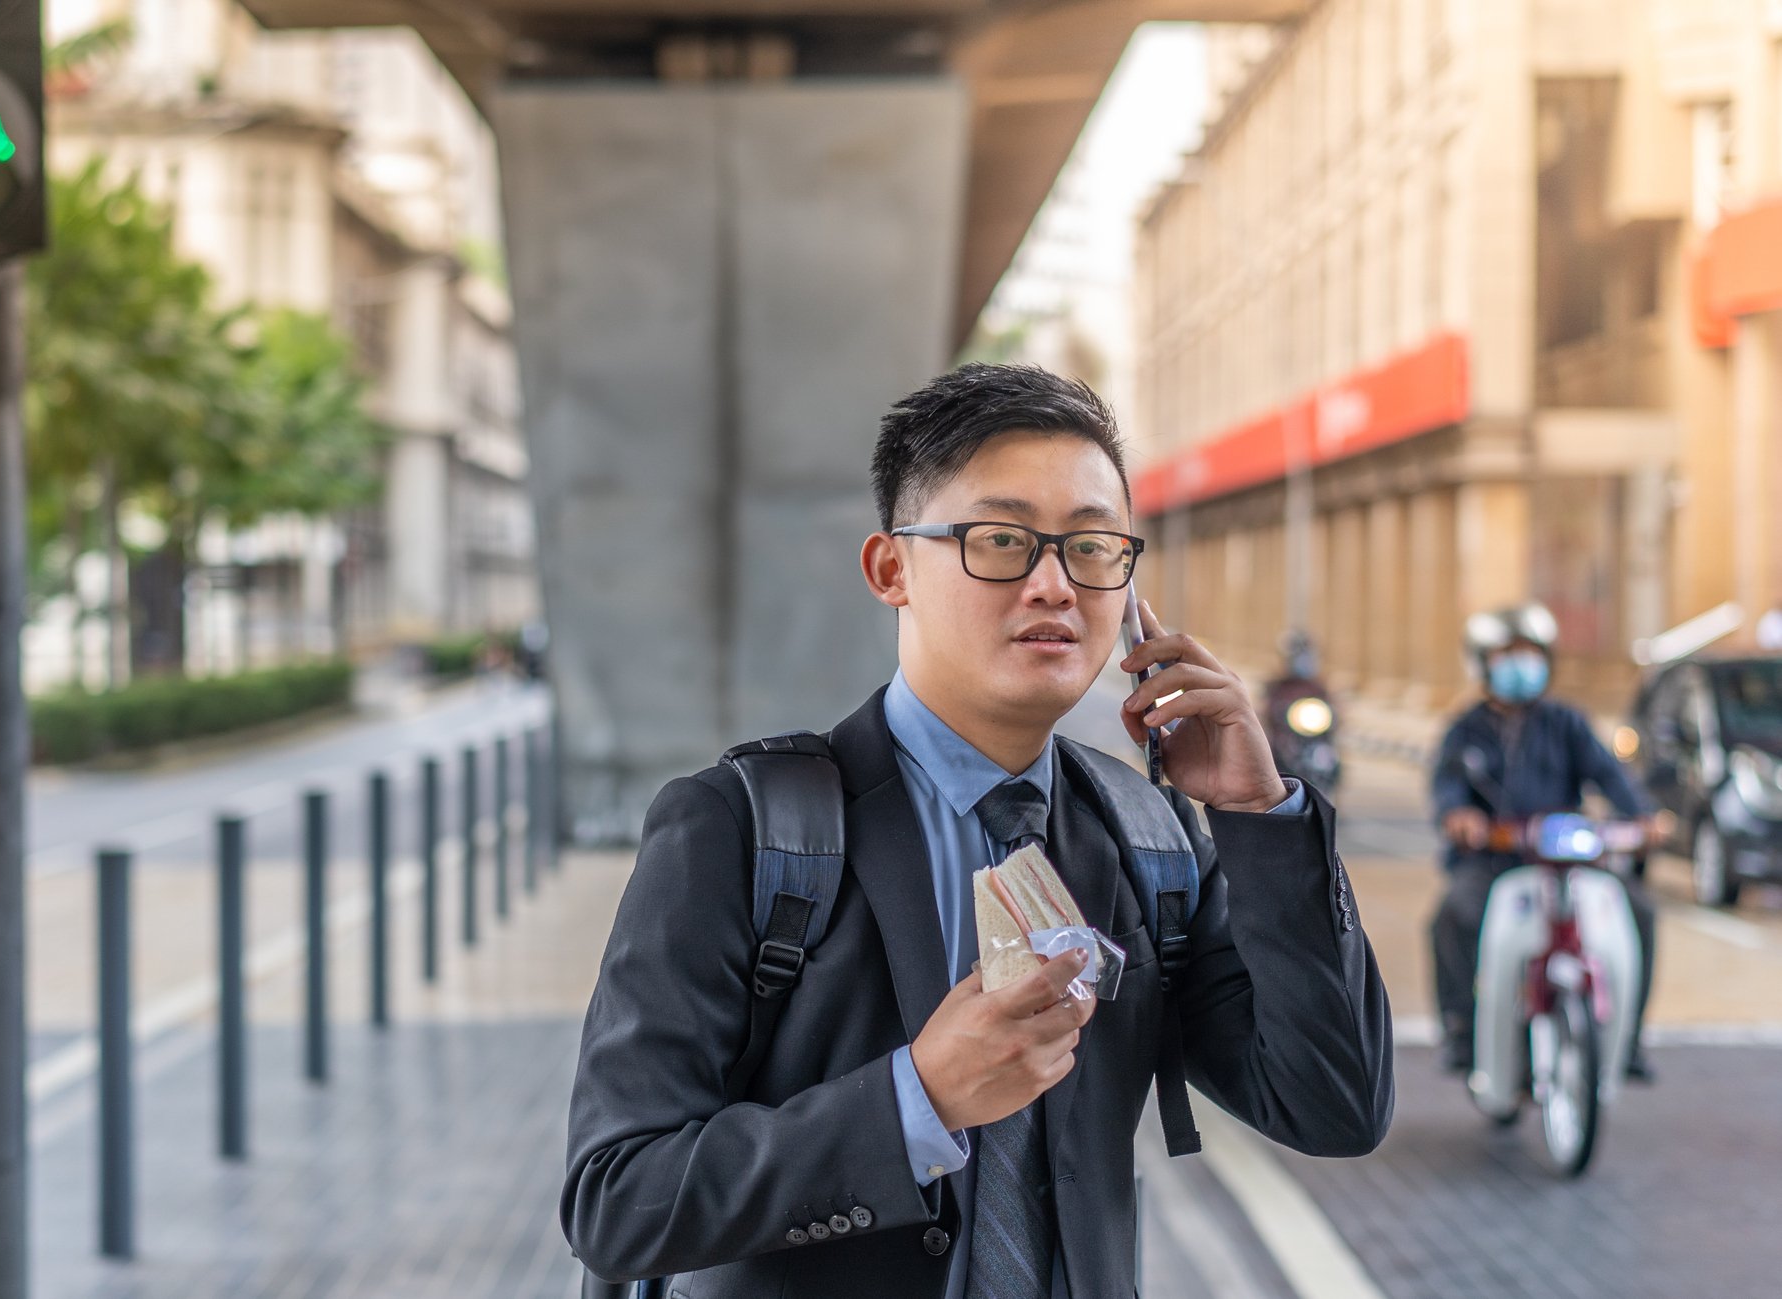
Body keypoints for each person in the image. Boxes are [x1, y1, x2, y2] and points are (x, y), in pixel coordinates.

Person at [562, 364, 1394, 1298]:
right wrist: (914, 1100)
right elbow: (615, 1199)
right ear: (890, 568)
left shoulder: (1145, 835)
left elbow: (1334, 1105)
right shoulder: (742, 829)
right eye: (1000, 540)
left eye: (1090, 547)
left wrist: (1258, 815)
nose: (1052, 584)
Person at [1428, 602, 1658, 1079]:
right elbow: (1447, 790)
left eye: (1531, 653)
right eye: (1509, 654)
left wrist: (1645, 819)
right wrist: (1460, 817)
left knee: (1639, 909)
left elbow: (1610, 775)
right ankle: (1462, 1032)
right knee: (1453, 915)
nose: (1522, 665)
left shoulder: (1566, 722)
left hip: (1564, 854)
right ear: (1482, 661)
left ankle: (1628, 1040)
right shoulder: (1464, 730)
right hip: (1494, 859)